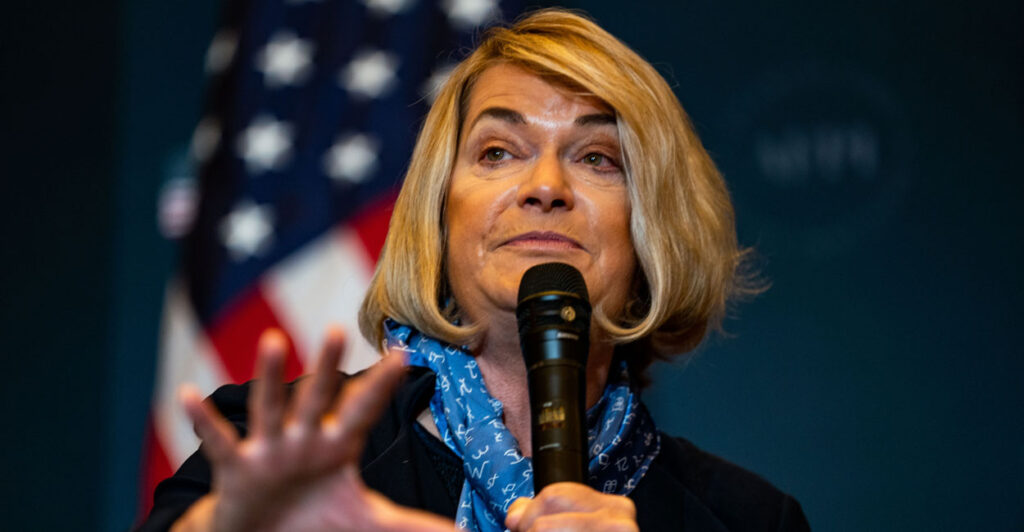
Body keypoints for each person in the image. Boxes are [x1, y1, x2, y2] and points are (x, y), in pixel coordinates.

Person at [139, 9, 810, 532]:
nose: (545, 185)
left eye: (598, 158)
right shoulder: (279, 451)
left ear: (651, 229)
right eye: (498, 151)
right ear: (440, 213)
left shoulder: (748, 520)